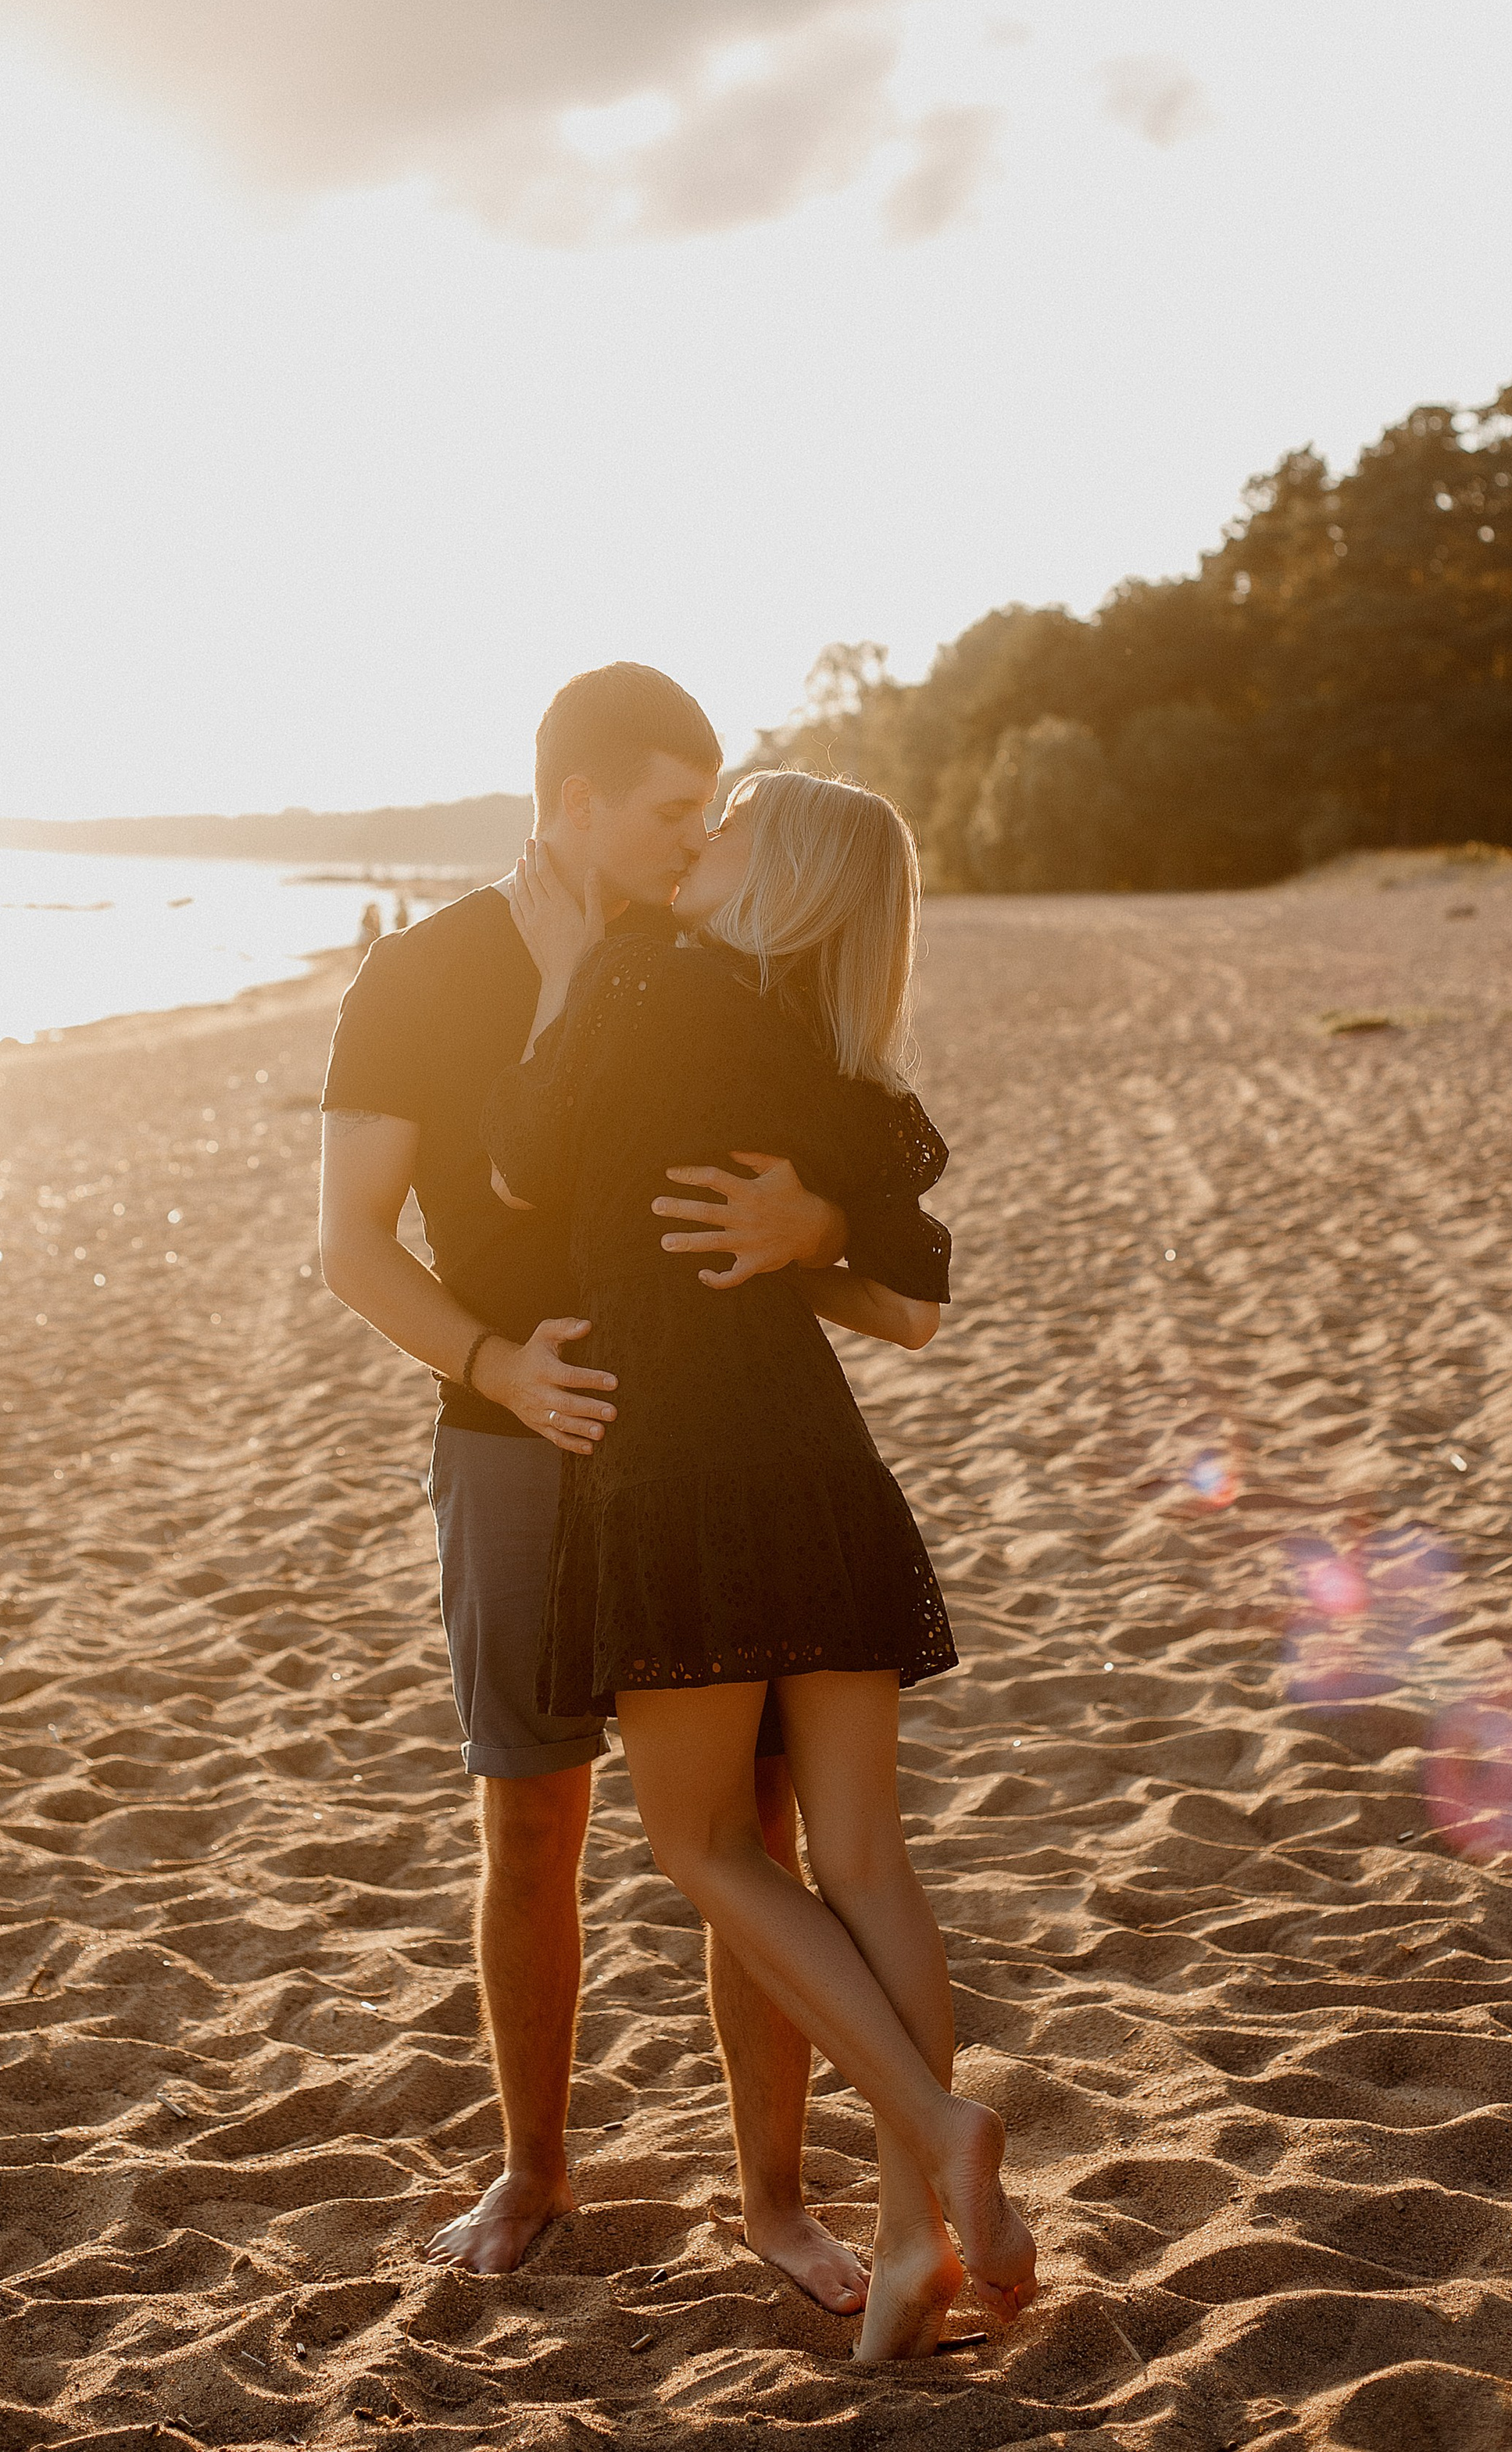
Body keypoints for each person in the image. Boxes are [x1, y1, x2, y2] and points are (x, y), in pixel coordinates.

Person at [319, 665, 923, 2304]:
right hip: (517, 1448)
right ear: (575, 802)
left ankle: (777, 2200)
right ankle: (530, 2172)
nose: (698, 836)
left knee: (760, 1829)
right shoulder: (426, 973)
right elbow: (350, 1242)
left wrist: (812, 1226)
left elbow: (860, 1185)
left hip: (721, 1449)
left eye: (710, 808)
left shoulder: (730, 961)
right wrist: (495, 1366)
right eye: (671, 809)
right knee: (532, 1819)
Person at [484, 770, 1036, 2362]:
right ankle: (906, 2245)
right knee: (865, 1864)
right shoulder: (825, 1055)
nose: (692, 840)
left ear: (770, 874)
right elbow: (916, 1301)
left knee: (707, 1846)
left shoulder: (643, 976)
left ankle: (938, 2131)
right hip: (819, 1470)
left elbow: (521, 1166)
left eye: (721, 827)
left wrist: (570, 968)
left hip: (675, 1474)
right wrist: (809, 1240)